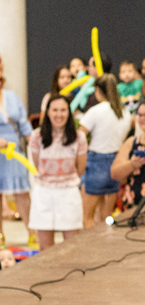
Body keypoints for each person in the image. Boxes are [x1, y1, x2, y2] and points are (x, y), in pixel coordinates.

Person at [28, 95, 87, 250]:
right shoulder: (37, 136)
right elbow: (37, 164)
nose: (59, 114)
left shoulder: (79, 137)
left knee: (72, 246)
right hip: (44, 192)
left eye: (63, 110)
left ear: (69, 112)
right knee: (45, 248)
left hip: (68, 192)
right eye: (54, 110)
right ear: (47, 112)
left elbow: (81, 168)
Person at [80, 74, 132, 228]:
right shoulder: (124, 112)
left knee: (87, 217)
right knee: (106, 217)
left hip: (96, 162)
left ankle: (91, 243)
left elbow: (80, 136)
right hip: (116, 162)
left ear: (97, 90)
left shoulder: (95, 111)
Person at [0, 56, 36, 249]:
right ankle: (0, 237)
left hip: (14, 152)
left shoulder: (12, 97)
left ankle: (32, 233)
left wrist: (36, 143)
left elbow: (24, 124)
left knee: (22, 193)